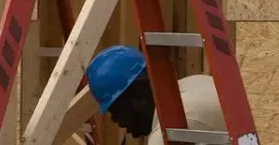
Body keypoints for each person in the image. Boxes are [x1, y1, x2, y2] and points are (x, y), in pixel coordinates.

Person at [83, 45, 222, 143]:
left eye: (116, 112)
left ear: (139, 97)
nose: (118, 123)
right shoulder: (196, 82)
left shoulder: (169, 134)